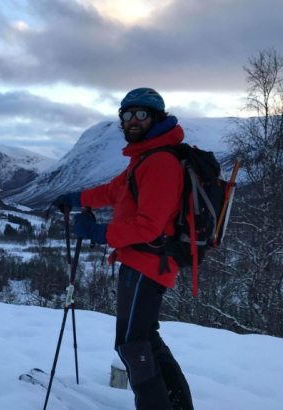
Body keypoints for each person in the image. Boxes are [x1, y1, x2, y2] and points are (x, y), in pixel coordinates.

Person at [51, 88, 194, 410]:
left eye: (141, 114)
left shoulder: (160, 162)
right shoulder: (145, 157)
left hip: (147, 263)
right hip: (143, 262)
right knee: (146, 340)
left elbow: (148, 226)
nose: (132, 120)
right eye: (127, 114)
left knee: (131, 344)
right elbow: (114, 192)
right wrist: (75, 199)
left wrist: (98, 232)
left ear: (156, 117)